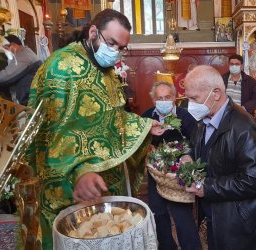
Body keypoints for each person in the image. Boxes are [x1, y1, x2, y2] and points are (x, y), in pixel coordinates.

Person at [27, 9, 166, 249]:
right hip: (70, 187)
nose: (115, 52)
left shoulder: (109, 72)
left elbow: (111, 118)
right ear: (93, 32)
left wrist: (142, 126)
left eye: (121, 48)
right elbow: (50, 133)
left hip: (106, 185)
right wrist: (80, 170)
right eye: (111, 43)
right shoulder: (60, 67)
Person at [183, 65, 256, 250]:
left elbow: (255, 180)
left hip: (237, 219)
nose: (190, 104)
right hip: (216, 212)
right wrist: (188, 156)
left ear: (215, 93)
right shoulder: (203, 119)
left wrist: (206, 187)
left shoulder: (244, 126)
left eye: (194, 98)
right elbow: (195, 146)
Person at [142, 82, 201, 250]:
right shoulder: (146, 117)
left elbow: (197, 141)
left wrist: (188, 155)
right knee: (158, 213)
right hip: (156, 174)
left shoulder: (185, 116)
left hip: (178, 175)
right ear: (153, 100)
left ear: (174, 98)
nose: (163, 101)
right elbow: (139, 143)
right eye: (159, 98)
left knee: (182, 216)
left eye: (167, 97)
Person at [0, 35, 41, 105]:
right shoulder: (24, 53)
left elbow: (7, 75)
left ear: (13, 45)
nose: (5, 52)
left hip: (28, 100)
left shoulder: (24, 55)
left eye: (6, 49)